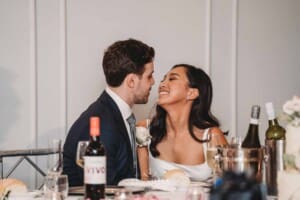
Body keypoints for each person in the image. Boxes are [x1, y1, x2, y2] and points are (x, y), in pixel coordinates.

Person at [63, 38, 155, 186]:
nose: (153, 82)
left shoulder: (111, 113)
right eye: (149, 76)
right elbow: (102, 189)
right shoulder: (103, 124)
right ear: (131, 81)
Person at [137, 64, 227, 181]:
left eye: (172, 79)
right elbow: (144, 182)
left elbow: (231, 185)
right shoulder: (144, 129)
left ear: (192, 93)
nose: (162, 84)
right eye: (163, 80)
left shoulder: (212, 136)